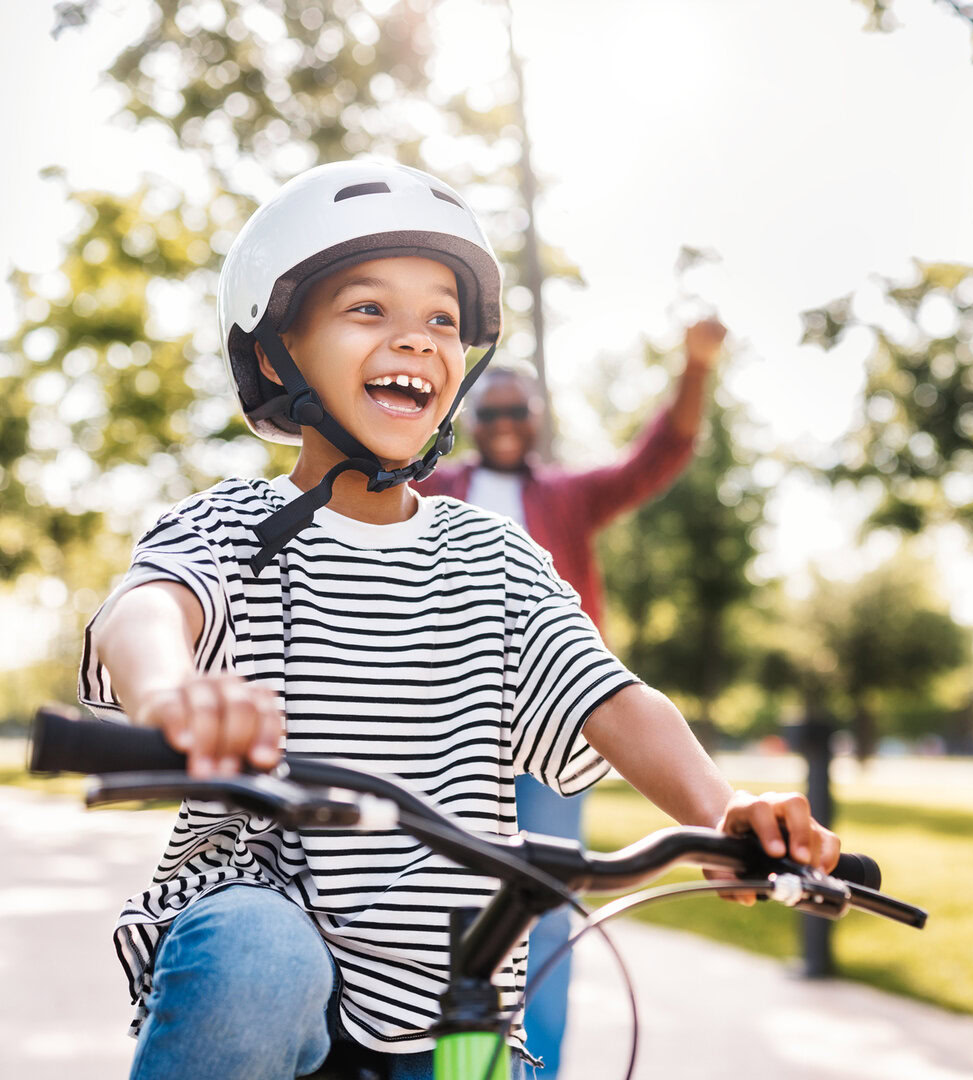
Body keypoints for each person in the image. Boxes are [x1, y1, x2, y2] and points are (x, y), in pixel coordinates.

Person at [79, 159, 840, 1080]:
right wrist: (172, 691)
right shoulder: (229, 525)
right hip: (263, 905)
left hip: (451, 975)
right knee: (255, 958)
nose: (415, 338)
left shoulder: (496, 556)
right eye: (368, 309)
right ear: (277, 354)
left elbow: (611, 698)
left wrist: (721, 811)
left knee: (491, 1053)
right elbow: (148, 610)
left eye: (442, 319)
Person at [412, 321, 724, 1076]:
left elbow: (657, 457)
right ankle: (428, 1060)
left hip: (552, 723)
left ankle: (537, 1069)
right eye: (490, 410)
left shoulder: (566, 496)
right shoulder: (429, 488)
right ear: (468, 418)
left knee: (548, 911)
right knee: (440, 903)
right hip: (449, 722)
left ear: (538, 418)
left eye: (517, 410)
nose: (504, 422)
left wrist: (694, 368)